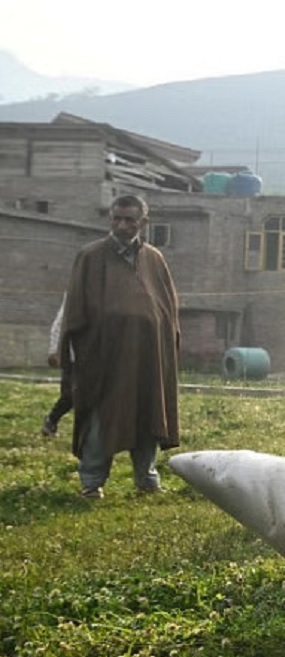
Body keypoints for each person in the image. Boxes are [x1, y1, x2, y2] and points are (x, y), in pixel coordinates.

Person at [61, 194, 181, 499]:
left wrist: (167, 350)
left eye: (129, 219)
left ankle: (147, 480)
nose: (122, 225)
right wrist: (74, 354)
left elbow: (168, 309)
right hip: (105, 359)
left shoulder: (154, 259)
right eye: (116, 218)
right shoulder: (90, 256)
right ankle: (92, 483)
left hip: (148, 359)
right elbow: (75, 310)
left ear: (143, 222)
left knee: (148, 415)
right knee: (102, 419)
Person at [42, 296, 73, 438]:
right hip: (73, 355)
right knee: (69, 395)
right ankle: (51, 420)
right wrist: (54, 349)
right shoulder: (76, 290)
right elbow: (59, 323)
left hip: (98, 356)